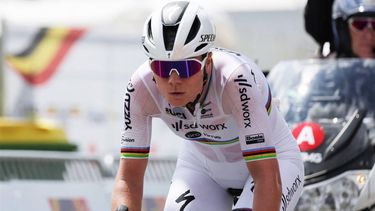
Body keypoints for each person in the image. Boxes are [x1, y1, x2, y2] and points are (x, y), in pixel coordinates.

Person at [111, 1, 304, 211]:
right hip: (202, 168)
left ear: (208, 63)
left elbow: (266, 177)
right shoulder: (141, 88)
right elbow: (129, 179)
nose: (174, 80)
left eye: (185, 67)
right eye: (162, 68)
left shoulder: (234, 80)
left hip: (272, 163)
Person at [304, 0, 375, 58]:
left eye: (374, 25)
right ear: (343, 30)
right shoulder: (326, 72)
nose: (369, 35)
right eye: (359, 24)